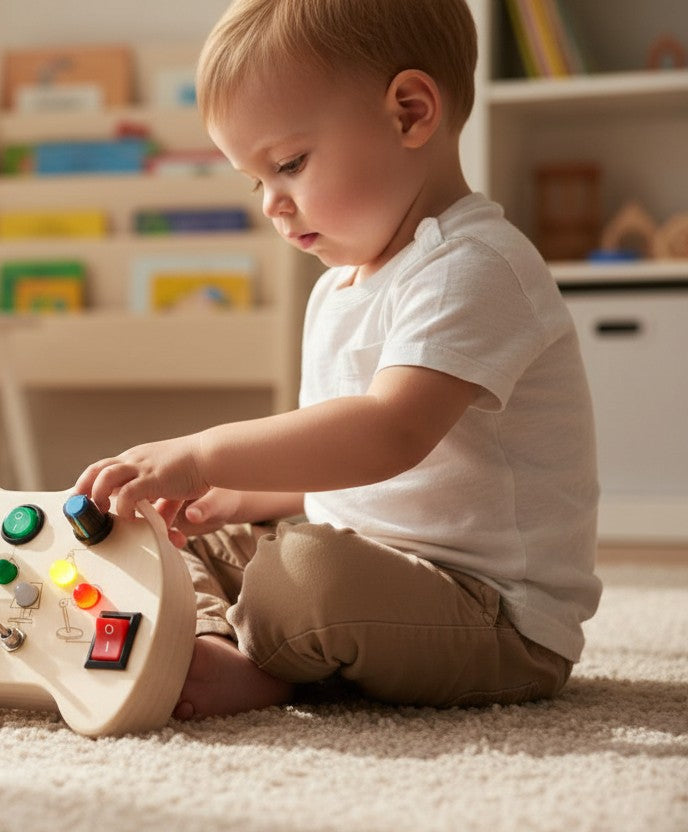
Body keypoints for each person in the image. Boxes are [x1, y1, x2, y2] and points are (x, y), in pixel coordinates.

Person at [74, 0, 601, 719]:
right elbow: (338, 465)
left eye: (288, 164)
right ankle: (210, 644)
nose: (271, 205)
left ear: (410, 112)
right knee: (169, 540)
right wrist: (236, 497)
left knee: (302, 572)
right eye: (255, 180)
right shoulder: (338, 289)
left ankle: (268, 662)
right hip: (367, 557)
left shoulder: (473, 267)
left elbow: (388, 435)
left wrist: (205, 452)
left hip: (491, 615)